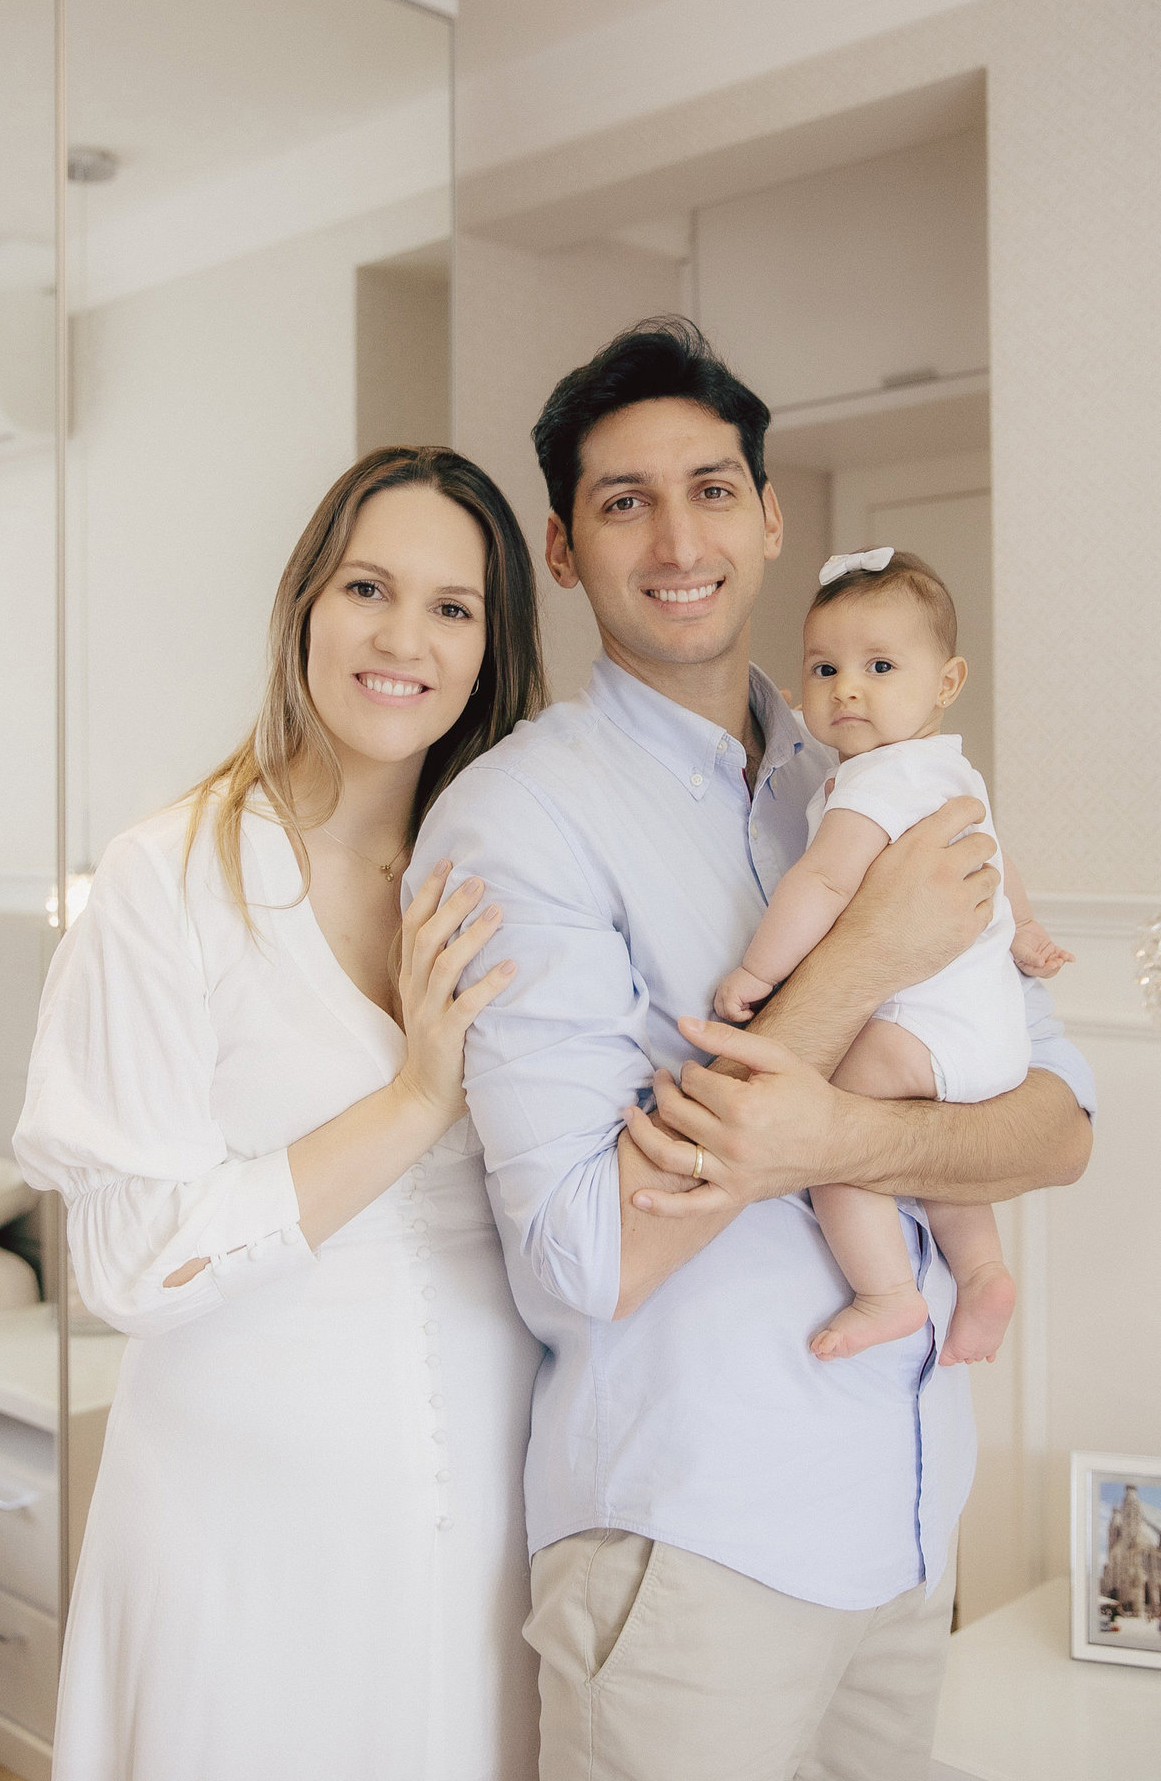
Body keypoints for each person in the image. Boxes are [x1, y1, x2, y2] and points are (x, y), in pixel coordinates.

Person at [406, 322, 1094, 1781]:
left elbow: (1058, 1125)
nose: (677, 537)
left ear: (775, 519)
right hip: (691, 1551)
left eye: (714, 488)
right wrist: (859, 963)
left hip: (907, 1530)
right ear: (564, 547)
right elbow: (590, 1253)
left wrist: (844, 1142)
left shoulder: (878, 779)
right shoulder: (515, 822)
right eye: (622, 501)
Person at [13, 448, 547, 1781]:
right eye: (368, 586)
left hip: (490, 1517)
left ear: (491, 646)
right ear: (304, 604)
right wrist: (418, 1096)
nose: (403, 638)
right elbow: (130, 1263)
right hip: (245, 1534)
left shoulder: (506, 878)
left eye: (452, 607)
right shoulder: (169, 880)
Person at [715, 546, 1073, 1365]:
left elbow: (823, 884)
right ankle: (983, 1273)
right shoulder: (954, 770)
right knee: (932, 1153)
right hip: (994, 1041)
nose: (847, 687)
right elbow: (997, 855)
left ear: (945, 683)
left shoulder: (872, 783)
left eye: (880, 666)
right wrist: (1024, 928)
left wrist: (757, 974)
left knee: (836, 1129)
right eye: (825, 666)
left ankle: (886, 1292)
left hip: (923, 1034)